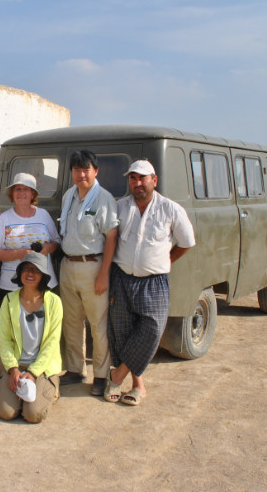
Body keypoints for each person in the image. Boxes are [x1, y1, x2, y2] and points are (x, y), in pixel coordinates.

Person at [106, 160, 195, 405]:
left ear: (154, 181)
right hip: (122, 278)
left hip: (154, 282)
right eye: (133, 178)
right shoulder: (119, 207)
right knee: (123, 332)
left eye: (143, 178)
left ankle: (117, 375)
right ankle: (138, 386)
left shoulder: (171, 209)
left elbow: (186, 242)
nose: (137, 183)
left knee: (152, 330)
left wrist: (166, 260)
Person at [58, 150, 119, 396]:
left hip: (92, 267)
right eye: (77, 170)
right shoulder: (68, 196)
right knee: (71, 321)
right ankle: (75, 369)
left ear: (95, 171)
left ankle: (101, 376)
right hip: (68, 265)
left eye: (86, 170)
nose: (81, 174)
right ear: (72, 172)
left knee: (98, 324)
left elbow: (112, 237)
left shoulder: (104, 199)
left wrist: (104, 273)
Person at [0, 253, 63, 423]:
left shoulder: (54, 301)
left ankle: (50, 387)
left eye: (36, 270)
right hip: (17, 364)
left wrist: (33, 372)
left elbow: (52, 343)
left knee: (33, 415)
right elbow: (5, 339)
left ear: (43, 276)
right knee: (6, 412)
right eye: (26, 269)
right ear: (19, 272)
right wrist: (12, 369)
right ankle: (6, 387)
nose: (30, 274)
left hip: (42, 367)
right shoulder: (9, 300)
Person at [0, 173, 60, 305]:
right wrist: (18, 254)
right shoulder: (5, 218)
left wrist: (48, 247)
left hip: (43, 280)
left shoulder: (43, 215)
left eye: (26, 189)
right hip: (12, 284)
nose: (21, 193)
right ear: (12, 194)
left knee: (42, 323)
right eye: (18, 189)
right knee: (13, 323)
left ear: (33, 194)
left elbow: (57, 241)